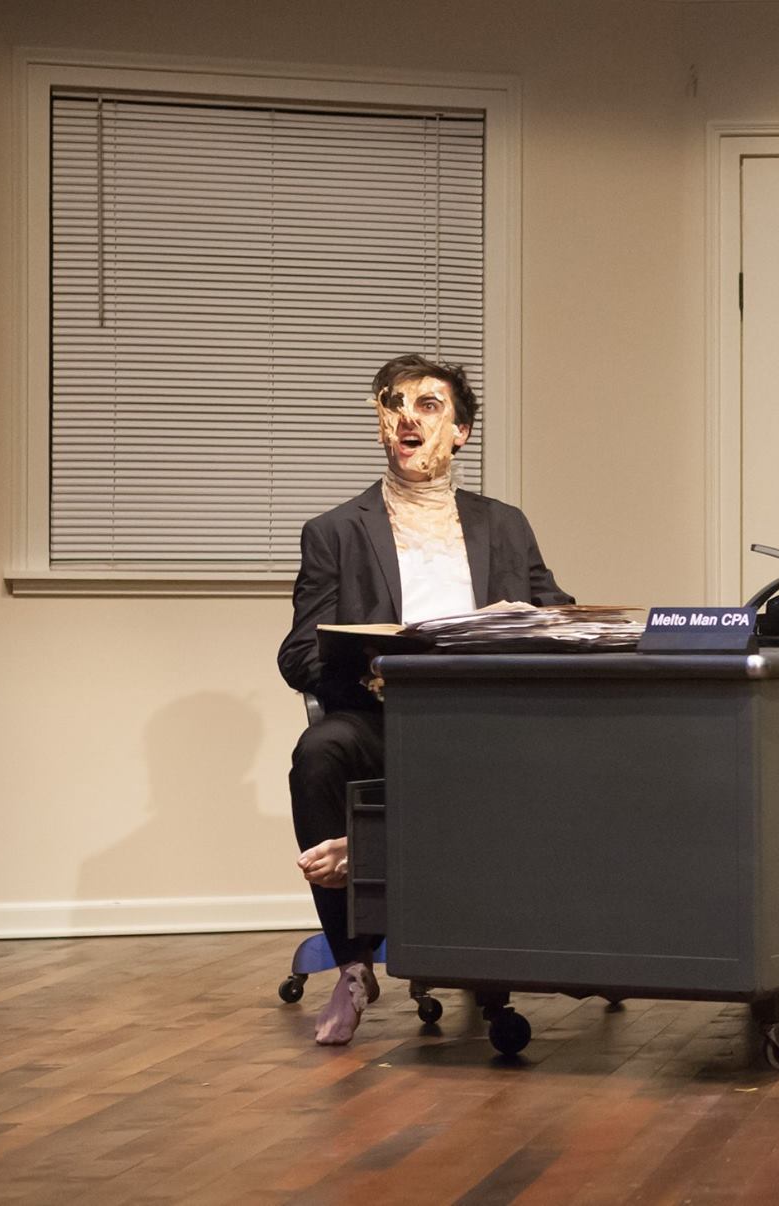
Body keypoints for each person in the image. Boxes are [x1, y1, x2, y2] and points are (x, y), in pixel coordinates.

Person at [277, 353, 572, 1044]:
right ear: (381, 424)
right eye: (394, 403)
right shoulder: (335, 531)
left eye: (428, 405)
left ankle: (372, 854)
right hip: (385, 717)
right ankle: (353, 964)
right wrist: (369, 671)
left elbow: (555, 612)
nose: (408, 417)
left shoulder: (505, 524)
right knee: (318, 752)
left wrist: (541, 624)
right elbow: (298, 653)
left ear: (460, 431)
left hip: (485, 722)